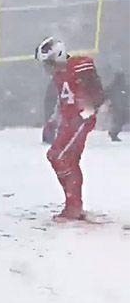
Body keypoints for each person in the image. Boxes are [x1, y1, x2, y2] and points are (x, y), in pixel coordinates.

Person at [35, 36, 104, 221]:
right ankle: (73, 204)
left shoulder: (79, 66)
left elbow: (96, 91)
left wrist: (89, 109)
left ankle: (74, 205)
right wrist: (54, 119)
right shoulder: (60, 75)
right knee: (63, 159)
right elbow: (63, 100)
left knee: (59, 156)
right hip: (69, 120)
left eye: (49, 63)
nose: (48, 68)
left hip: (80, 119)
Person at [107, 72, 128, 141]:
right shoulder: (117, 86)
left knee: (119, 121)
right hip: (117, 107)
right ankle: (113, 134)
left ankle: (113, 133)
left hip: (120, 106)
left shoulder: (116, 86)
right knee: (119, 121)